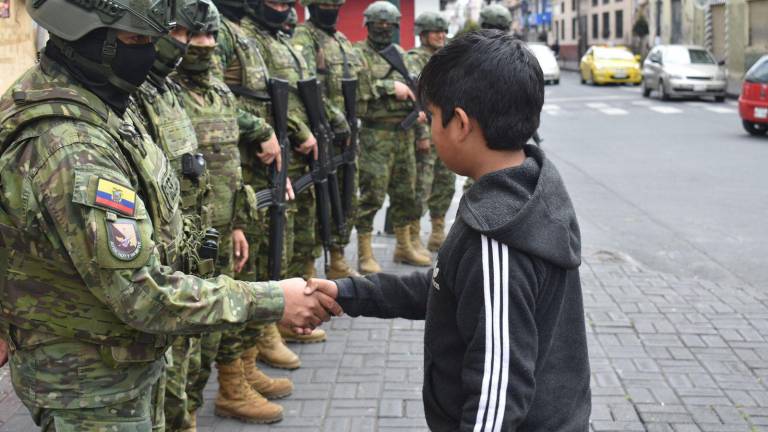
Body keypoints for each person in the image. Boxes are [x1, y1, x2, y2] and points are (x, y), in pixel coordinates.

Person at [0, 1, 341, 430]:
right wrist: (273, 300)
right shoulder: (72, 147)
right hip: (92, 386)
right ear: (87, 37)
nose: (153, 51)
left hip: (118, 360)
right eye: (136, 40)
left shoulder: (98, 103)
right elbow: (141, 294)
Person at [308, 31, 591, 431]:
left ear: (459, 123)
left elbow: (495, 399)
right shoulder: (520, 188)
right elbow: (450, 286)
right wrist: (350, 293)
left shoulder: (498, 240)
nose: (427, 127)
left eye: (431, 117)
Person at [171, 1, 294, 427]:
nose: (202, 46)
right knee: (188, 342)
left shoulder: (218, 90)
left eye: (209, 37)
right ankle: (184, 415)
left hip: (224, 226)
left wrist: (238, 224)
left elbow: (230, 164)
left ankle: (232, 384)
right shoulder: (165, 95)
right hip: (184, 237)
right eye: (190, 36)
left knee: (222, 322)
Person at [130, 2, 216, 429]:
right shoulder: (129, 97)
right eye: (177, 32)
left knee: (186, 373)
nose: (182, 45)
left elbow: (192, 175)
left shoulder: (167, 90)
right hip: (156, 273)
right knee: (165, 389)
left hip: (188, 256)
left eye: (189, 35)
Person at [239, 0, 338, 346]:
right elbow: (262, 98)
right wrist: (296, 129)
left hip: (296, 147)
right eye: (274, 2)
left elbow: (301, 93)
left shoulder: (278, 39)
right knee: (271, 243)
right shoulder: (249, 37)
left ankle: (301, 305)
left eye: (286, 3)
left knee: (301, 231)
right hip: (269, 151)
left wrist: (324, 123)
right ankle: (268, 330)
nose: (281, 9)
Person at [354, 1, 431, 273]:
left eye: (389, 25)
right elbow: (356, 91)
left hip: (404, 135)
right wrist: (390, 87)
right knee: (372, 195)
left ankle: (403, 247)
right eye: (378, 24)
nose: (384, 29)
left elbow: (415, 93)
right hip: (375, 135)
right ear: (369, 26)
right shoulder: (357, 54)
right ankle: (364, 254)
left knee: (406, 194)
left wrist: (421, 127)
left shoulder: (400, 53)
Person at [291, 0, 363, 279]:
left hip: (346, 135)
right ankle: (308, 269)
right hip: (321, 131)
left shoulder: (342, 40)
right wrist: (335, 117)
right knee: (317, 202)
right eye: (324, 3)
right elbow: (306, 83)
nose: (330, 8)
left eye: (335, 3)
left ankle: (338, 260)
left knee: (345, 198)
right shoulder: (303, 36)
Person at [407, 12, 455, 254]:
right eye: (436, 31)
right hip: (426, 130)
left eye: (443, 31)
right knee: (422, 186)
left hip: (448, 130)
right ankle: (413, 238)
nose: (441, 36)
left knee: (445, 184)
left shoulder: (446, 60)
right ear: (423, 34)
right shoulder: (413, 59)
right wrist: (421, 134)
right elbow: (414, 103)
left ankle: (437, 233)